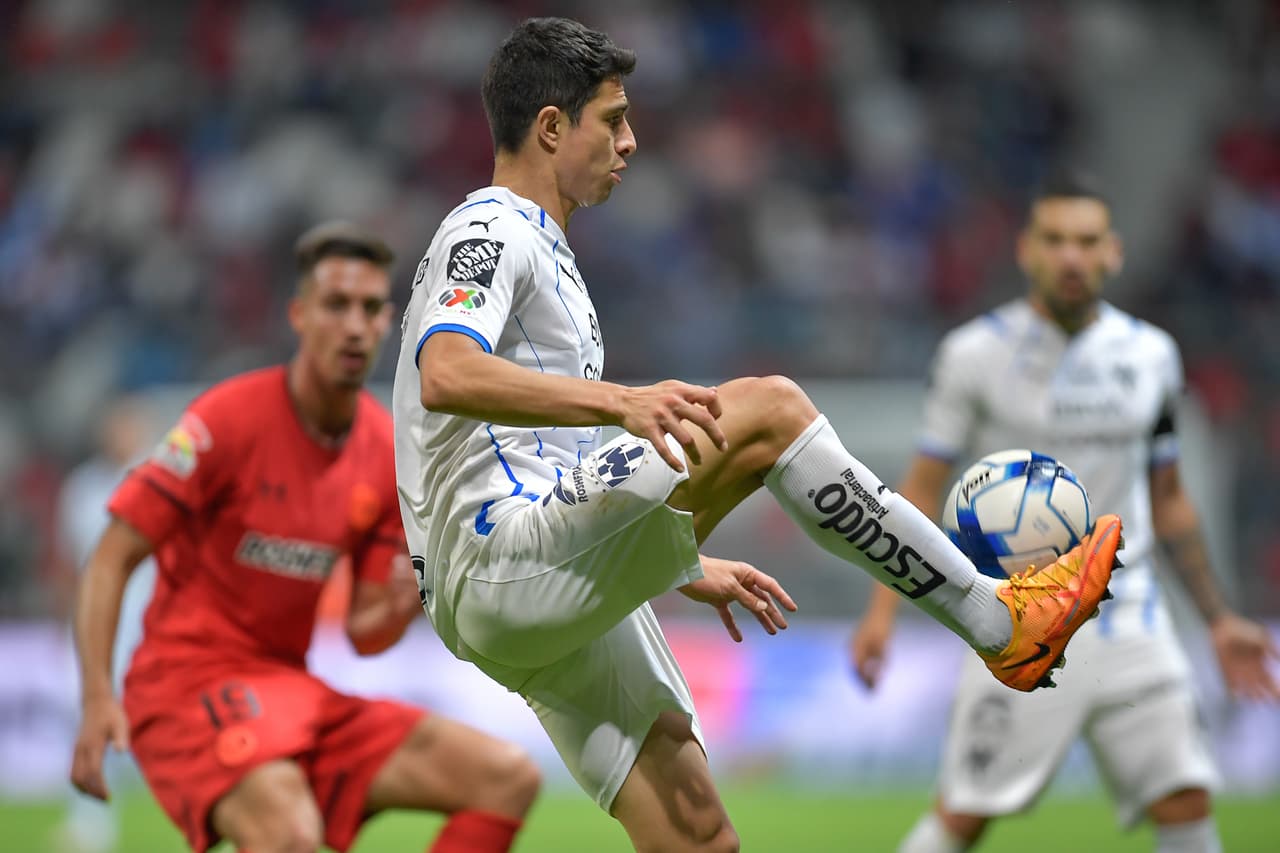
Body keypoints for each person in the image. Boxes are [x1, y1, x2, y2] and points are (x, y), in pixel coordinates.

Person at [393, 17, 1121, 852]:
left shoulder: (550, 253)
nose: (630, 142)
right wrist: (621, 404)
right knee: (767, 407)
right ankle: (1000, 623)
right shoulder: (488, 228)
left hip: (522, 578)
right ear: (552, 126)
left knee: (699, 832)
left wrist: (673, 558)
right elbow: (446, 373)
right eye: (614, 120)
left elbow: (534, 449)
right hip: (499, 559)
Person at [69, 222, 541, 853]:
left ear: (388, 322)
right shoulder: (226, 421)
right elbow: (110, 557)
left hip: (288, 689)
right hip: (185, 688)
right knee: (289, 831)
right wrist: (97, 697)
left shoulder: (383, 450)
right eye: (336, 305)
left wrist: (402, 602)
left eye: (370, 308)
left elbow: (365, 635)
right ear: (299, 315)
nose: (354, 325)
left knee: (506, 777)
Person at [849, 171, 1280, 853]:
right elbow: (919, 490)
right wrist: (881, 613)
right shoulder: (973, 354)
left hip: (1131, 616)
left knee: (1186, 801)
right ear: (1028, 250)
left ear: (1113, 252)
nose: (1070, 256)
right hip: (1019, 622)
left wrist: (1220, 618)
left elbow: (1167, 499)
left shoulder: (1151, 357)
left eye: (1086, 241)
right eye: (1055, 239)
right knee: (963, 813)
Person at [55, 396, 157, 853]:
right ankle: (89, 823)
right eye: (117, 427)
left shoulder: (158, 480)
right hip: (96, 623)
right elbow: (69, 562)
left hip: (148, 625)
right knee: (89, 715)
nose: (123, 435)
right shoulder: (81, 489)